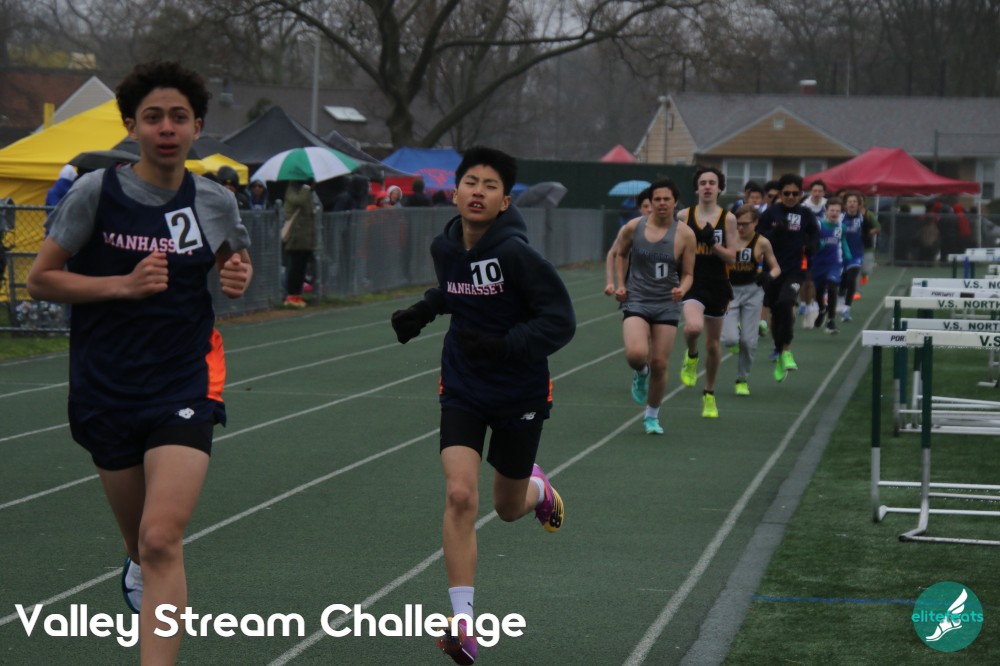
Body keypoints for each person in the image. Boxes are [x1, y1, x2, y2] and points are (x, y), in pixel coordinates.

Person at [26, 60, 253, 665]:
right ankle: (135, 561)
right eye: (153, 117)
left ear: (198, 126)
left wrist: (238, 275)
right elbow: (40, 279)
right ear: (131, 127)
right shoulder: (95, 194)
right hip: (105, 387)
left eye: (179, 116)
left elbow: (235, 261)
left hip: (182, 382)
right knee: (140, 541)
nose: (167, 128)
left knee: (160, 538)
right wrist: (122, 286)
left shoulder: (214, 201)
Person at [389, 146, 574, 665]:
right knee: (459, 494)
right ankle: (463, 624)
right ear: (455, 193)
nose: (478, 191)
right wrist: (426, 309)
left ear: (504, 202)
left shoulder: (518, 256)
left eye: (490, 186)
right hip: (463, 386)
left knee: (507, 509)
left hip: (520, 392)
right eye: (471, 182)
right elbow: (459, 288)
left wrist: (505, 346)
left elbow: (560, 321)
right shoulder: (445, 246)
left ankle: (538, 489)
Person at [611, 178, 695, 434]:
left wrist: (682, 289)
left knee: (660, 363)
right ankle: (641, 372)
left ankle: (652, 416)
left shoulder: (685, 234)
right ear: (650, 202)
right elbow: (620, 254)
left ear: (675, 202)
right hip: (637, 298)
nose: (661, 203)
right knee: (636, 354)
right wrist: (621, 284)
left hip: (666, 303)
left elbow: (689, 274)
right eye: (657, 199)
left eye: (666, 199)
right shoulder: (633, 227)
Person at [676, 166, 737, 418]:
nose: (708, 187)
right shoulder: (683, 216)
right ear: (696, 189)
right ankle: (691, 355)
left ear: (719, 188)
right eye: (703, 183)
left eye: (712, 183)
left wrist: (712, 242)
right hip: (693, 280)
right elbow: (676, 250)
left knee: (713, 345)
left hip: (718, 284)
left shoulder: (728, 219)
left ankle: (709, 394)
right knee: (693, 328)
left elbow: (731, 257)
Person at [757, 174, 820, 382]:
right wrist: (775, 231)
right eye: (787, 193)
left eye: (795, 193)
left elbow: (815, 236)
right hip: (773, 270)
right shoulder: (771, 213)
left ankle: (786, 350)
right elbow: (758, 237)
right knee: (776, 311)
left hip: (795, 270)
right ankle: (778, 350)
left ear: (801, 194)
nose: (791, 197)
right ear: (780, 193)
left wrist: (811, 246)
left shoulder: (806, 214)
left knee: (786, 303)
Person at [721, 205, 779, 396]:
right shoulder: (728, 239)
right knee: (730, 339)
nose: (741, 228)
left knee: (748, 341)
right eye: (738, 224)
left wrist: (769, 276)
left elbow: (776, 268)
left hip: (753, 292)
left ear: (755, 223)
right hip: (730, 291)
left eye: (745, 224)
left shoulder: (762, 242)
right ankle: (736, 330)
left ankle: (742, 379)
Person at [811, 197, 849, 334]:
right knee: (818, 291)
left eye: (837, 211)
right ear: (826, 211)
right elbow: (811, 240)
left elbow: (842, 240)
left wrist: (847, 253)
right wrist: (817, 244)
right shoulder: (818, 225)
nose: (834, 213)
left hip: (834, 263)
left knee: (832, 286)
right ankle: (822, 309)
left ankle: (831, 320)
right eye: (832, 210)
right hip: (818, 263)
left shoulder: (841, 227)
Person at [604, 187, 652, 296]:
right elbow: (612, 254)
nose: (649, 210)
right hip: (633, 289)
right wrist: (610, 282)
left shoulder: (670, 230)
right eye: (645, 206)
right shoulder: (628, 229)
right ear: (639, 209)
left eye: (651, 206)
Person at [281, 180, 318, 308]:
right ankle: (291, 295)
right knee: (294, 268)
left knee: (302, 268)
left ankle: (298, 295)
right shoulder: (291, 189)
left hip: (307, 238)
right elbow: (299, 201)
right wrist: (307, 188)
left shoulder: (309, 192)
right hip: (295, 237)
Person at [838, 191, 870, 322]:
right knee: (842, 281)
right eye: (849, 202)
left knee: (851, 279)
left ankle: (846, 309)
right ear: (845, 205)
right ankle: (840, 299)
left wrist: (866, 239)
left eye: (854, 202)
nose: (852, 204)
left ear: (858, 204)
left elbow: (868, 235)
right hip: (840, 255)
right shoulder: (840, 218)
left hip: (856, 255)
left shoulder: (863, 219)